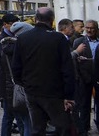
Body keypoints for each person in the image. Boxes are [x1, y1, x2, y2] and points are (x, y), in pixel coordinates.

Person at [12, 7, 75, 135]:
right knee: (62, 127)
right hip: (54, 92)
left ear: (36, 19)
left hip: (32, 91)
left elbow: (16, 67)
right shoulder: (59, 38)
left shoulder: (23, 38)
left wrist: (24, 83)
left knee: (37, 128)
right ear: (52, 21)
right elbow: (67, 68)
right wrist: (69, 95)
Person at [0, 20, 32, 136]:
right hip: (18, 88)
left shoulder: (6, 46)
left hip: (9, 88)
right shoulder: (19, 50)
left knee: (10, 116)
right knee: (25, 121)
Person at [72, 19, 99, 134]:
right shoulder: (79, 42)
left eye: (92, 28)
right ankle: (84, 128)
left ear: (96, 28)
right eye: (87, 28)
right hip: (84, 78)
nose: (89, 30)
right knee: (84, 105)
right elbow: (75, 61)